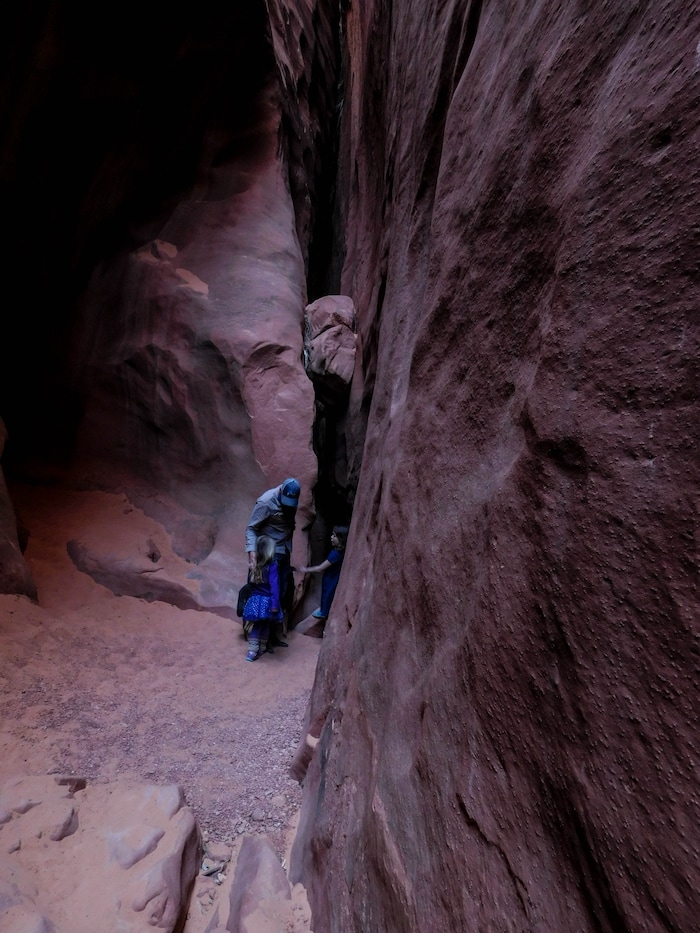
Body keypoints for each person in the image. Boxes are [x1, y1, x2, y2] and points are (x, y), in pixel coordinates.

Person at [245, 477, 301, 645]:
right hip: (269, 553)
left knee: (282, 592)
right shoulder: (266, 502)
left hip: (284, 551)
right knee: (264, 593)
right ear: (280, 492)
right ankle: (254, 634)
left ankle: (270, 636)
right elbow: (251, 528)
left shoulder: (292, 500)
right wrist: (253, 553)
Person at [242, 535, 283, 661]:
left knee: (257, 625)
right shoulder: (272, 565)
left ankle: (253, 650)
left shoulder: (254, 565)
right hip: (268, 601)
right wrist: (275, 604)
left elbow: (250, 582)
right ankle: (258, 649)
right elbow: (274, 585)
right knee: (265, 624)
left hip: (255, 600)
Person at [299, 525, 349, 621]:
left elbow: (320, 568)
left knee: (327, 594)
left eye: (334, 536)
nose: (331, 537)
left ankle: (324, 613)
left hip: (331, 578)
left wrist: (306, 570)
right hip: (334, 576)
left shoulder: (335, 554)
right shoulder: (342, 552)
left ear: (341, 539)